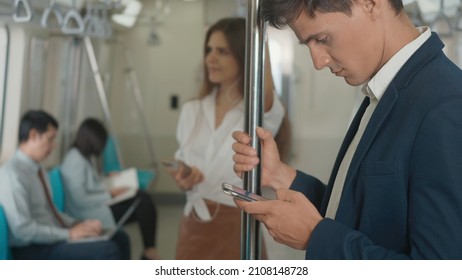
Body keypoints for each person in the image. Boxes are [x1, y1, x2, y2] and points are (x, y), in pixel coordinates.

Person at [231, 0, 462, 259]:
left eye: (323, 38)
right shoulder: (383, 91)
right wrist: (281, 176)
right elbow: (364, 212)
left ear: (370, 4)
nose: (318, 62)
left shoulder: (446, 105)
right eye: (308, 44)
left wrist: (316, 235)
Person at [168, 17, 286, 260]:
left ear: (243, 56)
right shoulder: (193, 110)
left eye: (222, 51)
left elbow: (265, 92)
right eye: (209, 50)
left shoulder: (255, 112)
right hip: (194, 221)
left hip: (237, 222)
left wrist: (257, 23)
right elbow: (184, 164)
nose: (211, 59)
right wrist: (184, 178)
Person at [0, 110, 130, 260]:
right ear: (34, 135)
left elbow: (52, 211)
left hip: (52, 237)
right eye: (50, 139)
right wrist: (70, 233)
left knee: (120, 238)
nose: (54, 145)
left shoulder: (38, 169)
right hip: (32, 249)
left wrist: (79, 224)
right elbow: (23, 230)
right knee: (108, 250)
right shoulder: (12, 175)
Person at [60, 118, 160, 260]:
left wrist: (107, 178)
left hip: (98, 204)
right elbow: (80, 200)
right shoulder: (75, 161)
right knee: (143, 202)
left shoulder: (82, 157)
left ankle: (149, 251)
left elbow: (90, 184)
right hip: (89, 211)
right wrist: (110, 195)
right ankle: (149, 252)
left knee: (142, 200)